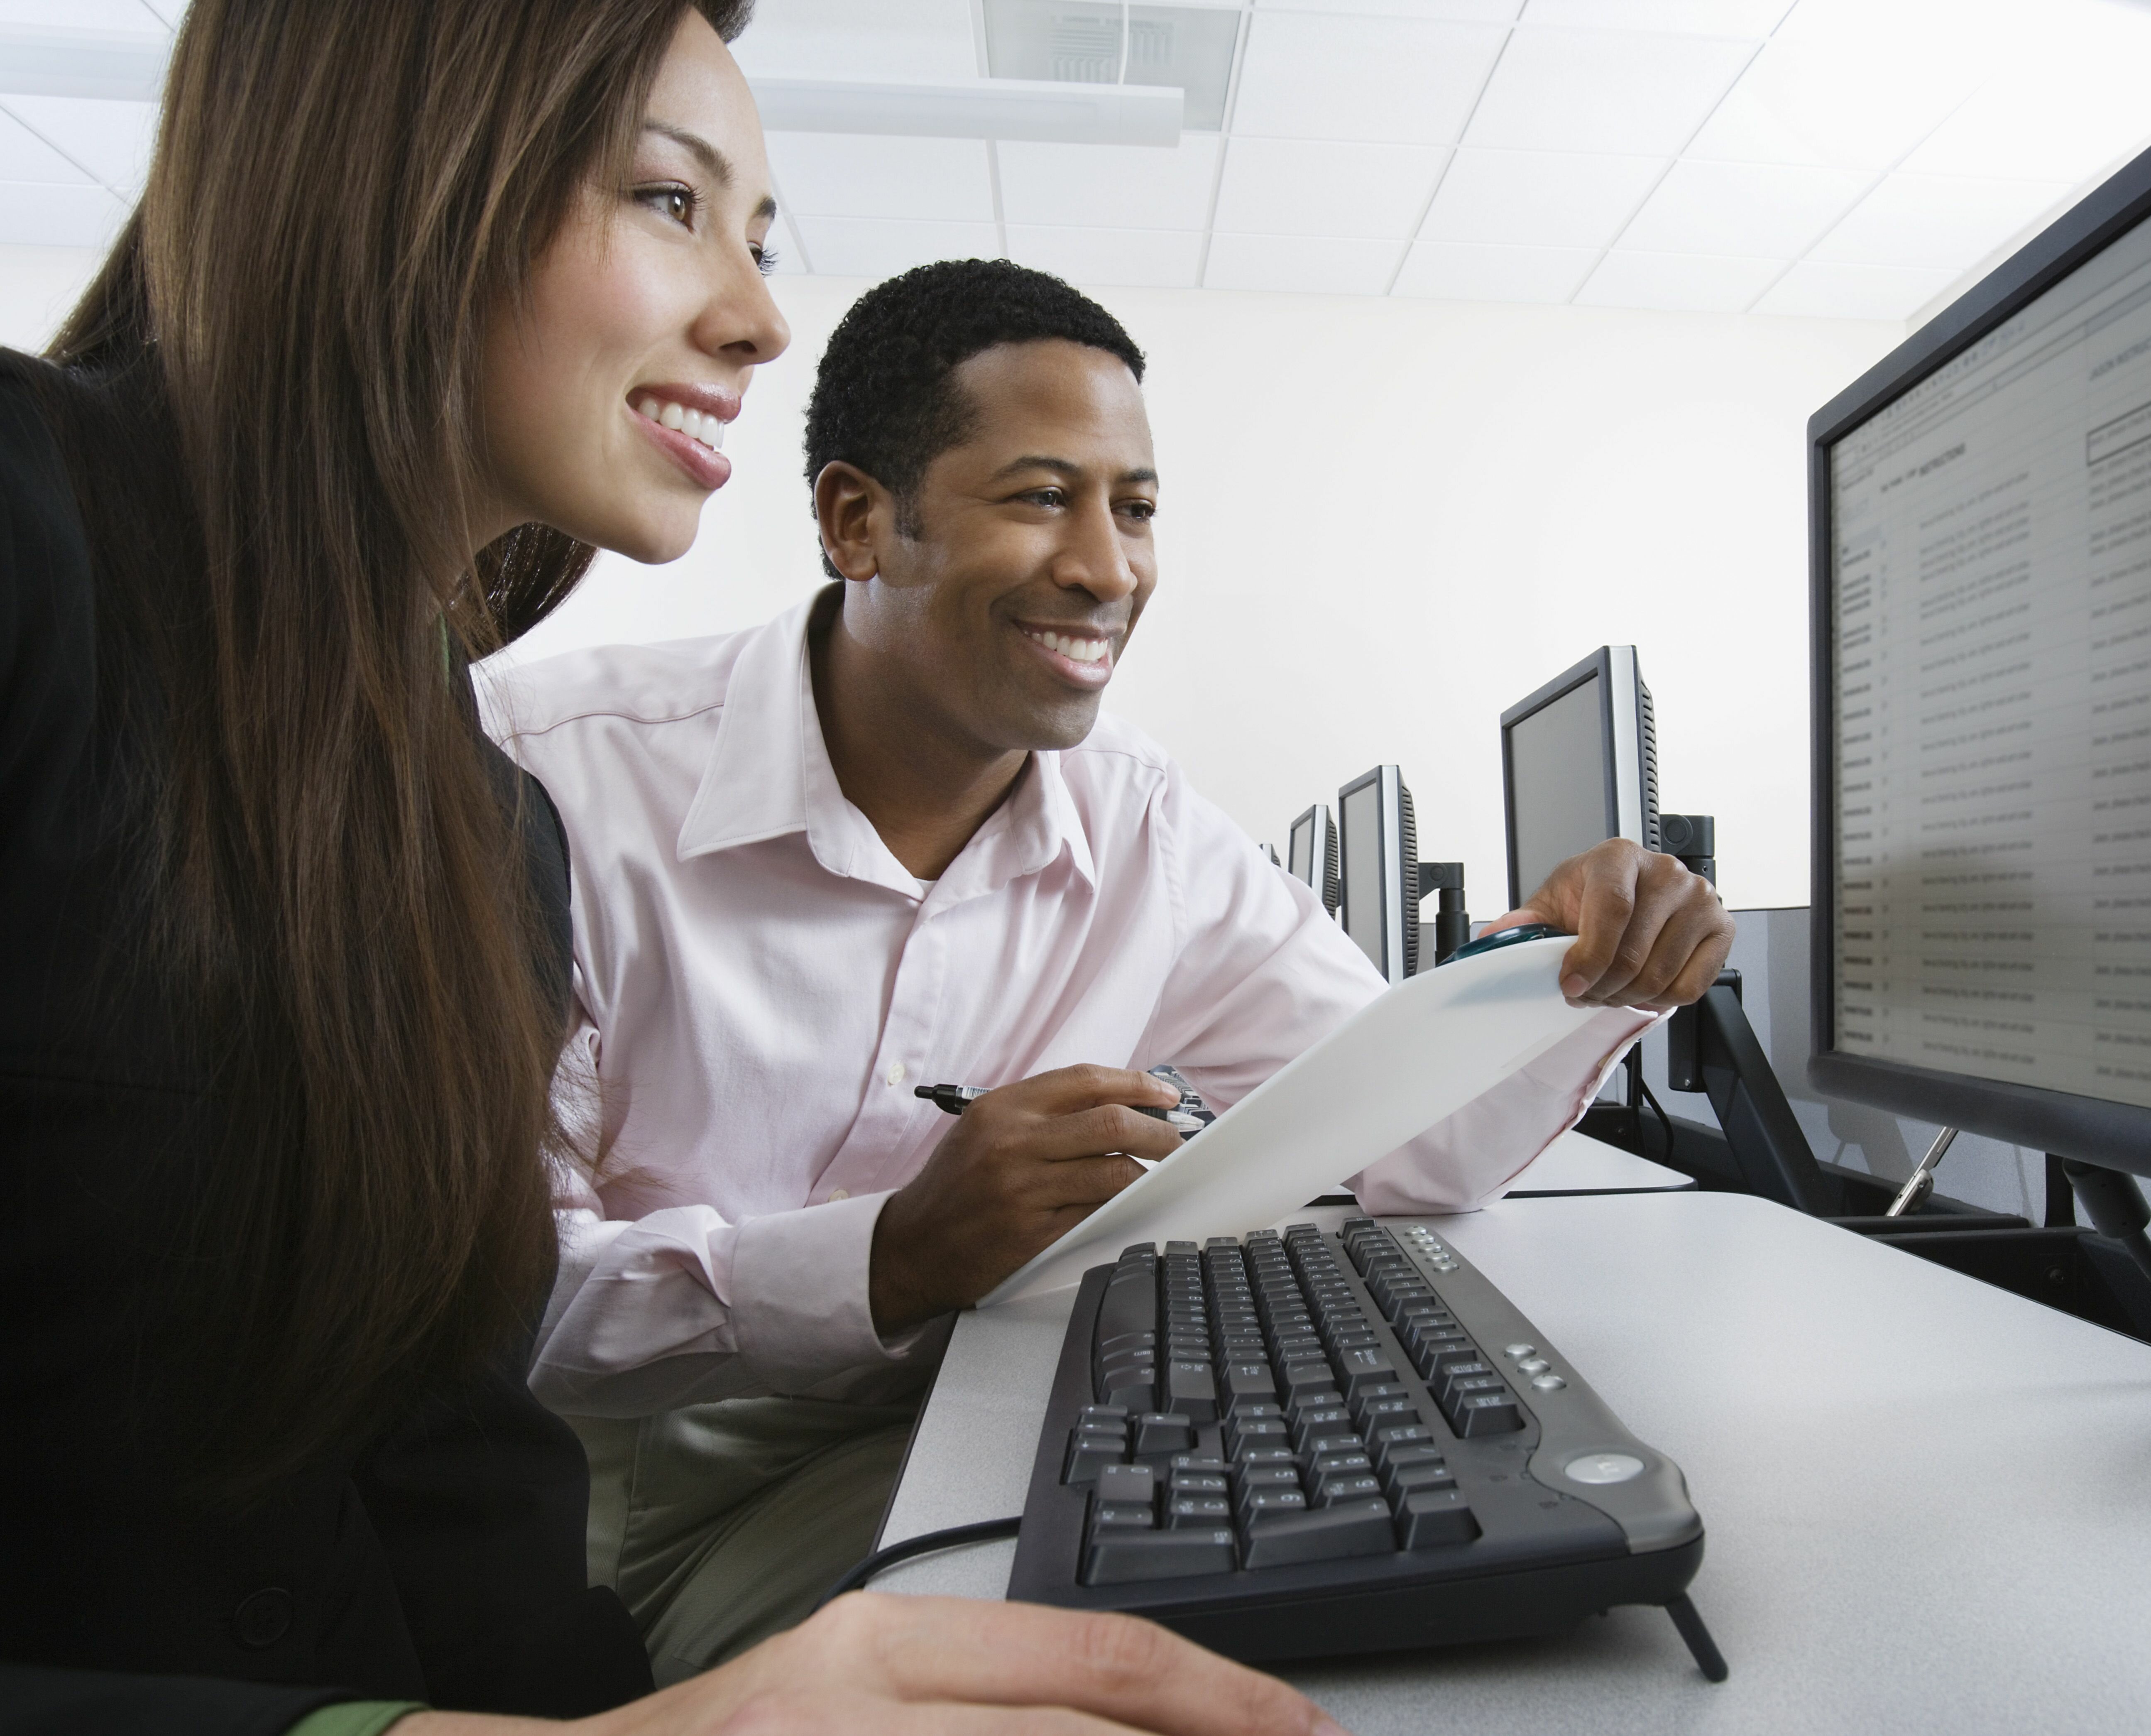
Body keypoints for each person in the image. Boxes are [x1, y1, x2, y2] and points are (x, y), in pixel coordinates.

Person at [0, 4, 1347, 1734]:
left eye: (758, 238)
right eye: (664, 200)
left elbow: (453, 1493)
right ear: (392, 170)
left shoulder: (469, 823)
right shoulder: (40, 545)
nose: (758, 316)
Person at [482, 259, 1737, 1680]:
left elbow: (1411, 1144)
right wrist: (894, 1255)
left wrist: (1573, 972)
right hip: (598, 1487)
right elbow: (497, 1300)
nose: (1107, 567)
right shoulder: (547, 776)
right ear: (855, 520)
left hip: (937, 1414)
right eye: (1038, 498)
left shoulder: (1143, 826)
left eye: (1135, 508)